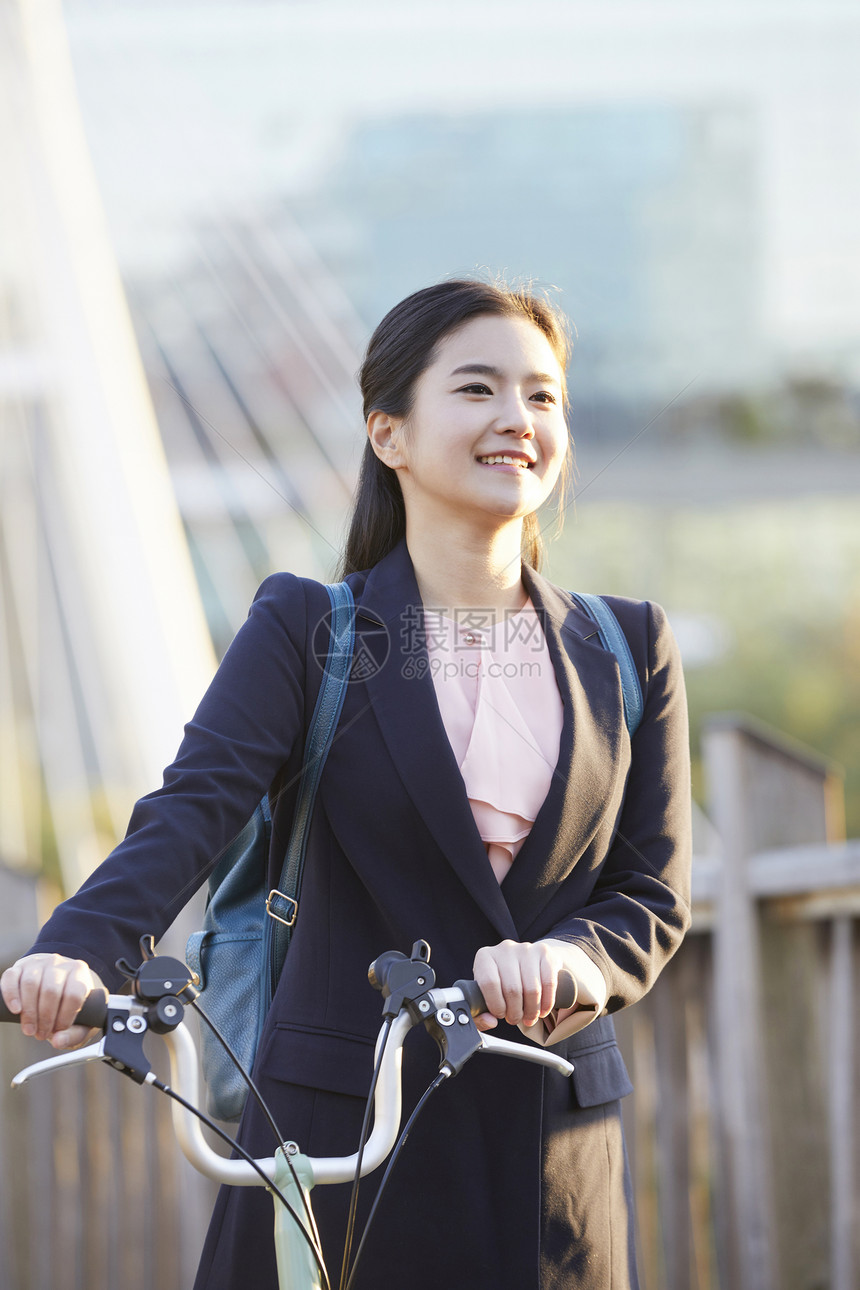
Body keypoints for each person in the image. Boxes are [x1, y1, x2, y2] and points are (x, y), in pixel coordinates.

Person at [1, 278, 692, 1289]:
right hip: (336, 1135)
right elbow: (195, 805)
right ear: (389, 435)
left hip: (549, 1143)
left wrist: (566, 962)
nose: (517, 419)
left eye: (542, 397)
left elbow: (651, 894)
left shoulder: (627, 645)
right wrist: (78, 946)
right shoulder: (309, 631)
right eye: (477, 390)